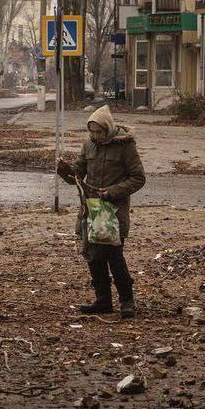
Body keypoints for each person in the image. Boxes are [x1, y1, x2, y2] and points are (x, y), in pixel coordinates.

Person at [57, 104, 145, 318]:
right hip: (91, 209)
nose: (95, 136)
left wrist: (112, 192)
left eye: (99, 132)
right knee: (93, 256)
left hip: (114, 211)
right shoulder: (89, 145)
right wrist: (65, 171)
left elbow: (138, 178)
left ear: (108, 128)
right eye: (92, 131)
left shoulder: (126, 146)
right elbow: (77, 176)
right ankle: (103, 300)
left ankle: (127, 301)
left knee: (114, 256)